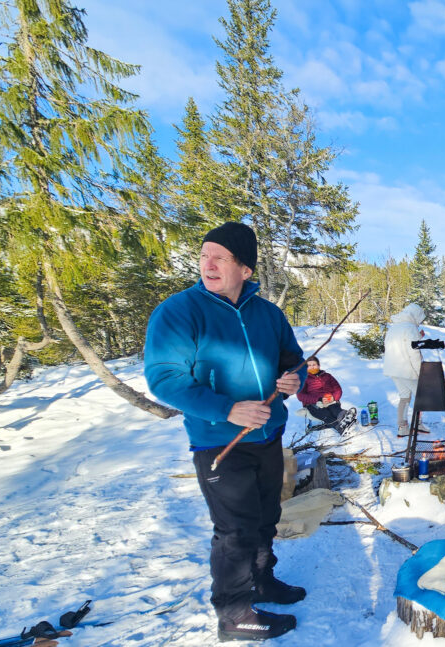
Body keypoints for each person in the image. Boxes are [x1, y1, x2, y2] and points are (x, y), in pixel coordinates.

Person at [144, 222, 305, 642]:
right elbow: (164, 379)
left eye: (220, 257)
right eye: (204, 255)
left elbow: (295, 360)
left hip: (268, 436)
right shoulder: (179, 312)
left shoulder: (268, 314)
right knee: (235, 531)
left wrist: (293, 378)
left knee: (267, 518)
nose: (207, 264)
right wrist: (226, 409)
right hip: (219, 442)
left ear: (245, 270)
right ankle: (234, 613)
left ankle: (263, 581)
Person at [383, 303, 427, 437]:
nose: (420, 322)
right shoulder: (410, 328)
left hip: (394, 370)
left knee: (404, 397)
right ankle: (417, 423)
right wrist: (421, 372)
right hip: (408, 370)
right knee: (422, 398)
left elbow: (398, 345)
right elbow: (414, 353)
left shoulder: (394, 327)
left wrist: (418, 337)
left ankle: (402, 427)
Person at [296, 356, 356, 433]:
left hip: (330, 400)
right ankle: (341, 428)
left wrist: (333, 398)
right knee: (325, 414)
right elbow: (300, 396)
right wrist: (318, 399)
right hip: (314, 404)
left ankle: (347, 417)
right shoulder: (304, 378)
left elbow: (338, 390)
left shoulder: (327, 376)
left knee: (335, 409)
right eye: (309, 366)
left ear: (318, 365)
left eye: (314, 365)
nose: (312, 367)